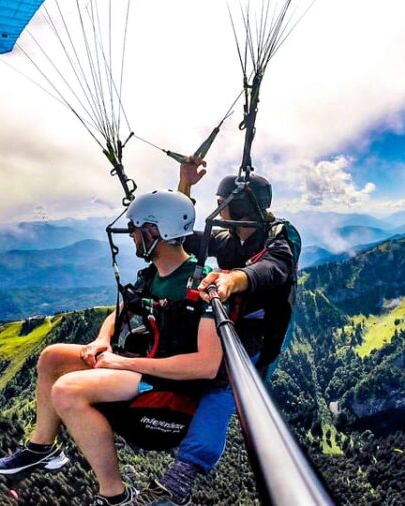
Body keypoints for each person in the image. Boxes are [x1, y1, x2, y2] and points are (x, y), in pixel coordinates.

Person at [0, 190, 223, 506]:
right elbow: (124, 309)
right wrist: (102, 340)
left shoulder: (201, 284)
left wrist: (124, 364)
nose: (133, 237)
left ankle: (114, 495)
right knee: (52, 357)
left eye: (137, 230)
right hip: (141, 368)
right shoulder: (154, 274)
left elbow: (206, 365)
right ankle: (42, 448)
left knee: (67, 390)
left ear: (155, 232)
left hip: (169, 392)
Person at [133, 159, 300, 506]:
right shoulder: (226, 239)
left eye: (224, 204)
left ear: (235, 205)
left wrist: (233, 279)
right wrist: (185, 185)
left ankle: (179, 481)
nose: (221, 211)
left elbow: (272, 269)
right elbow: (174, 237)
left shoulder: (279, 237)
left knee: (224, 385)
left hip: (255, 334)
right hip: (219, 324)